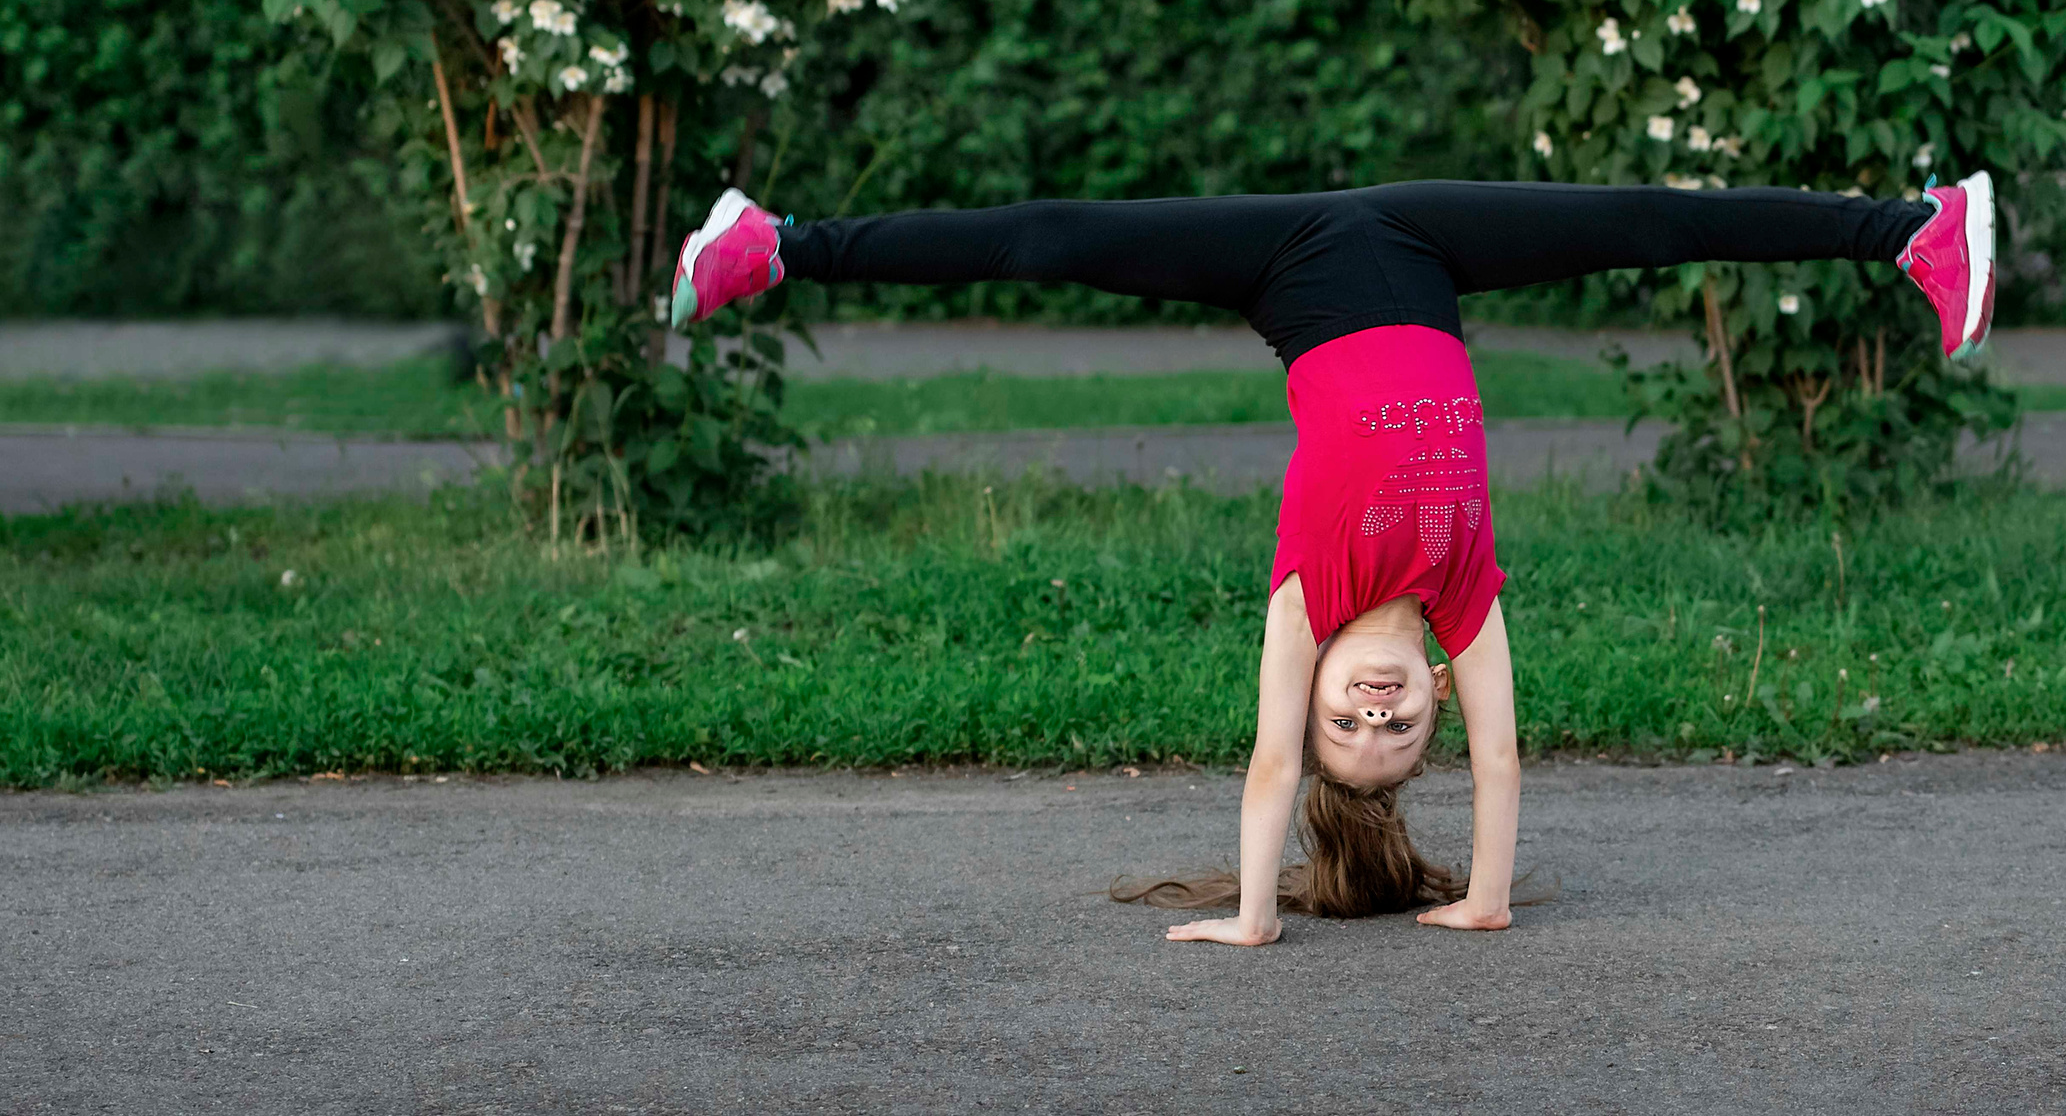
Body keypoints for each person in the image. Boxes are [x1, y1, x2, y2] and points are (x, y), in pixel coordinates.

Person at [666, 175, 1996, 944]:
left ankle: (768, 246)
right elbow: (1504, 760)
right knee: (1643, 225)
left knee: (1050, 239)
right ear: (1430, 696)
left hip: (1284, 269)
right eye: (1395, 730)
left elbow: (1268, 772)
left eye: (1344, 730)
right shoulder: (1465, 602)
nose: (1372, 714)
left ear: (1311, 702)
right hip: (1423, 244)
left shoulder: (1306, 601)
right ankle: (1915, 228)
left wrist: (1256, 919)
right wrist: (1483, 900)